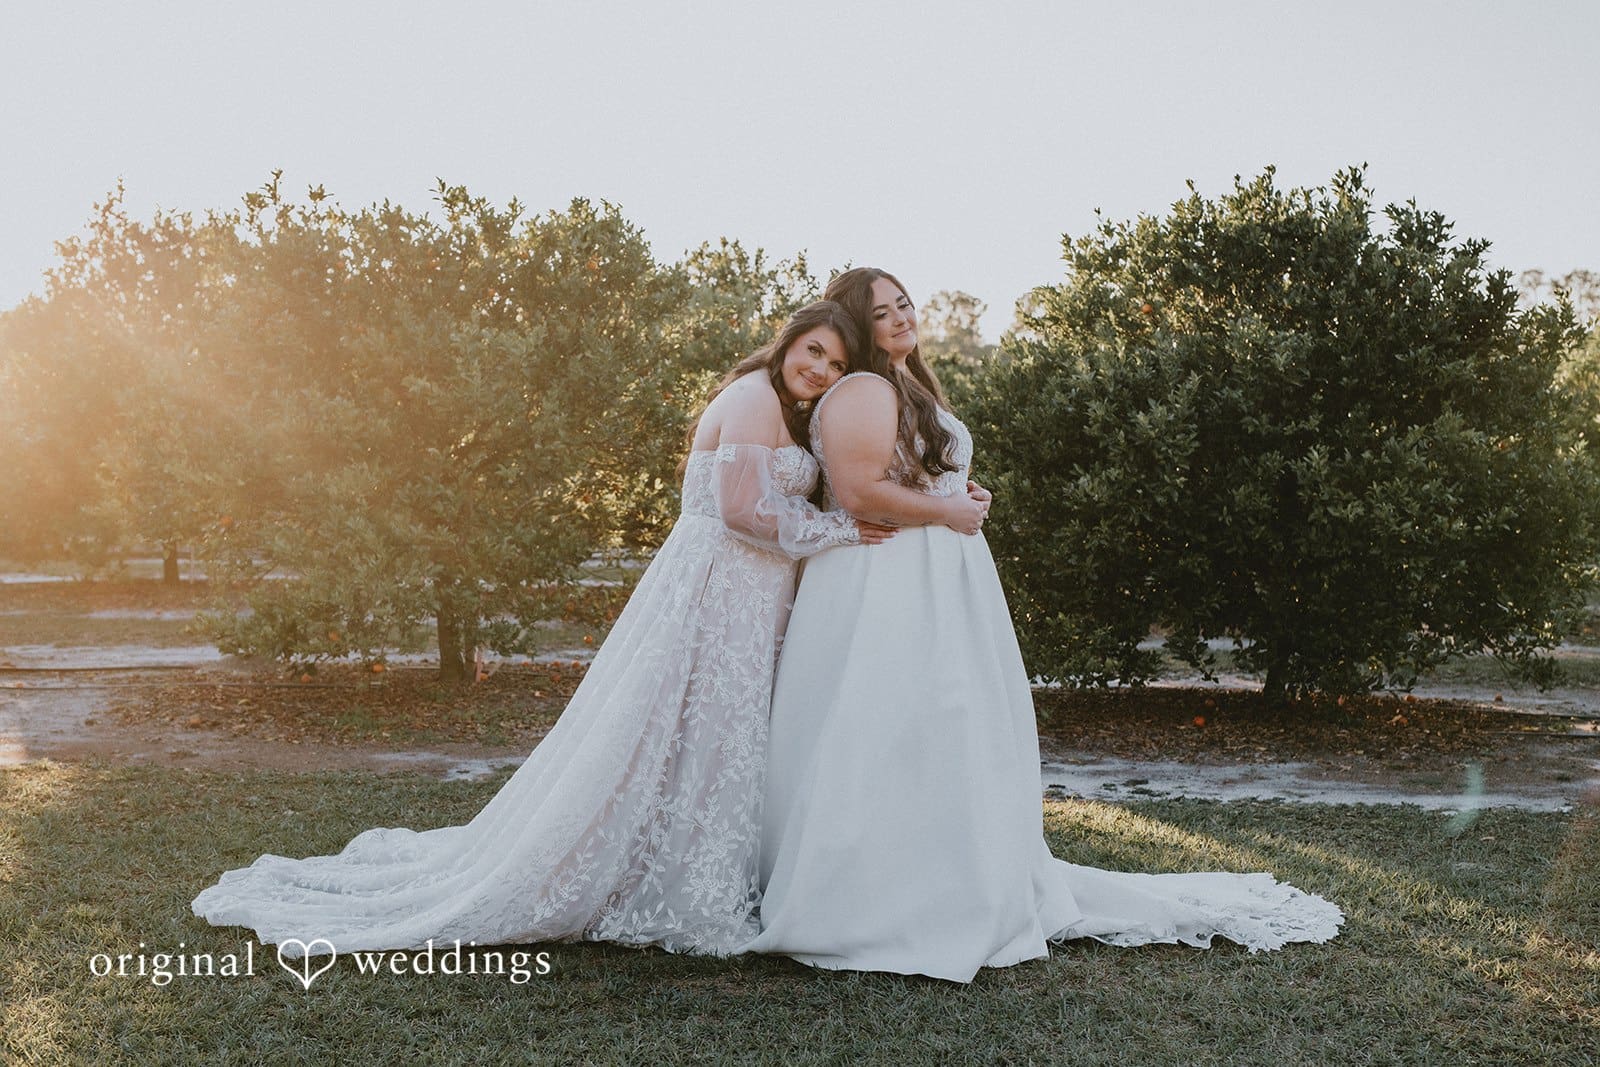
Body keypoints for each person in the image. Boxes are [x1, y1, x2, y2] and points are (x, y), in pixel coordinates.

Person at [193, 300, 897, 958]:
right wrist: (841, 529)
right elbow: (741, 509)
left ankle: (695, 871)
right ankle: (666, 883)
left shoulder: (790, 410)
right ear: (788, 340)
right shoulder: (751, 397)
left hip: (749, 597)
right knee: (685, 730)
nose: (821, 370)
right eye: (814, 351)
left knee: (712, 737)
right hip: (714, 591)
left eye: (836, 365)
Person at [746, 269, 1343, 982]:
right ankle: (875, 895)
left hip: (933, 577)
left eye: (905, 301)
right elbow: (856, 491)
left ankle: (949, 875)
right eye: (883, 311)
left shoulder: (906, 385)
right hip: (884, 586)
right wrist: (946, 509)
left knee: (942, 731)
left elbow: (900, 471)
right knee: (883, 728)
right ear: (857, 323)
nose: (903, 316)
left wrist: (952, 488)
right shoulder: (863, 389)